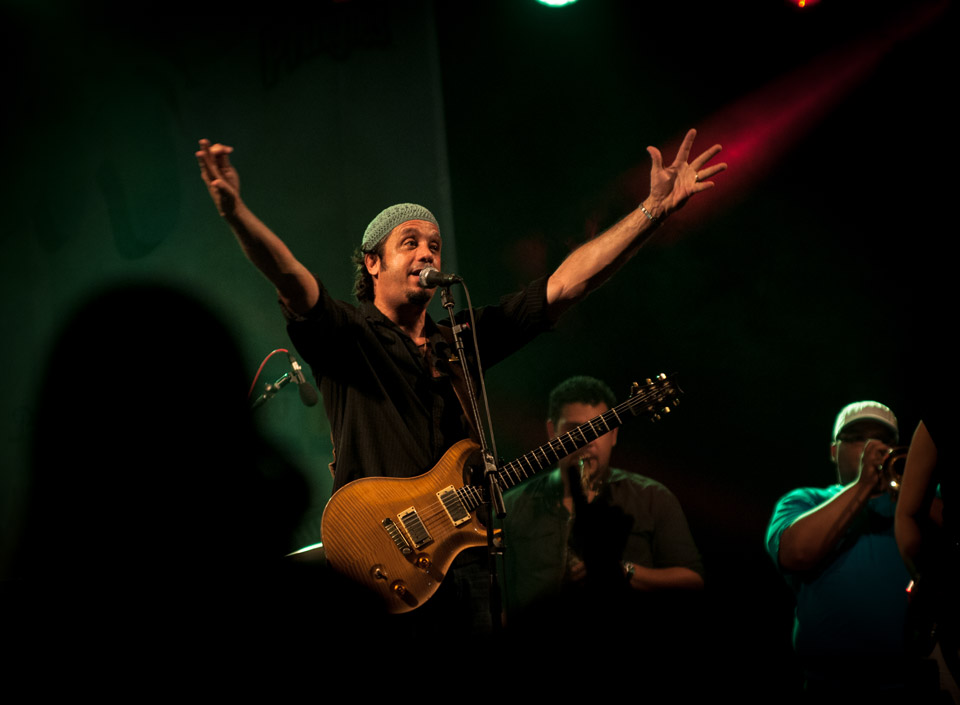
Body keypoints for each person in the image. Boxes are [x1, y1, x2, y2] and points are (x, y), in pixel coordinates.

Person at [195, 130, 725, 629]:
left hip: (465, 564)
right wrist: (237, 214)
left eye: (434, 244)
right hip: (383, 566)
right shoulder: (347, 335)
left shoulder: (461, 340)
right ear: (373, 263)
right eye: (410, 243)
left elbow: (566, 285)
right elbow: (290, 276)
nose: (427, 252)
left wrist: (652, 210)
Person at [501, 376, 703, 618]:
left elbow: (693, 582)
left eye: (598, 429)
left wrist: (624, 572)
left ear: (614, 434)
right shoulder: (509, 507)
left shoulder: (653, 497)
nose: (586, 442)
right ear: (551, 431)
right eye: (574, 430)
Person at [766, 401, 922, 699]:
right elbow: (795, 553)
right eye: (859, 439)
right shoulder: (805, 501)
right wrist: (864, 484)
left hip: (913, 686)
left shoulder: (918, 501)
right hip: (830, 690)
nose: (874, 448)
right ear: (834, 451)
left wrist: (914, 485)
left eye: (884, 440)